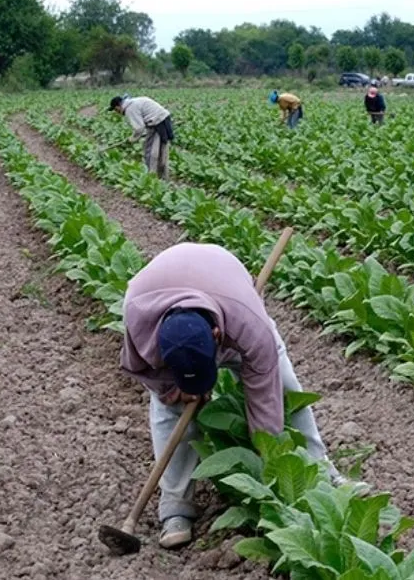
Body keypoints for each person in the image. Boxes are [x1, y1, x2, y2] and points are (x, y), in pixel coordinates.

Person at [120, 243, 341, 549]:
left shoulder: (247, 322)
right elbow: (141, 369)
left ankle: (321, 471)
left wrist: (271, 460)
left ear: (216, 338)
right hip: (160, 294)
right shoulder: (138, 318)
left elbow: (264, 397)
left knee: (285, 387)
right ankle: (175, 508)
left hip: (226, 287)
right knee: (168, 410)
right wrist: (172, 389)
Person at [110, 94, 173, 179]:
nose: (116, 112)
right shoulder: (134, 102)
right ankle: (163, 177)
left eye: (115, 109)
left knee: (150, 152)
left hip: (156, 123)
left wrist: (132, 139)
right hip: (164, 119)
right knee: (163, 151)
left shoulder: (129, 108)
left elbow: (139, 128)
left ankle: (151, 177)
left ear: (118, 106)